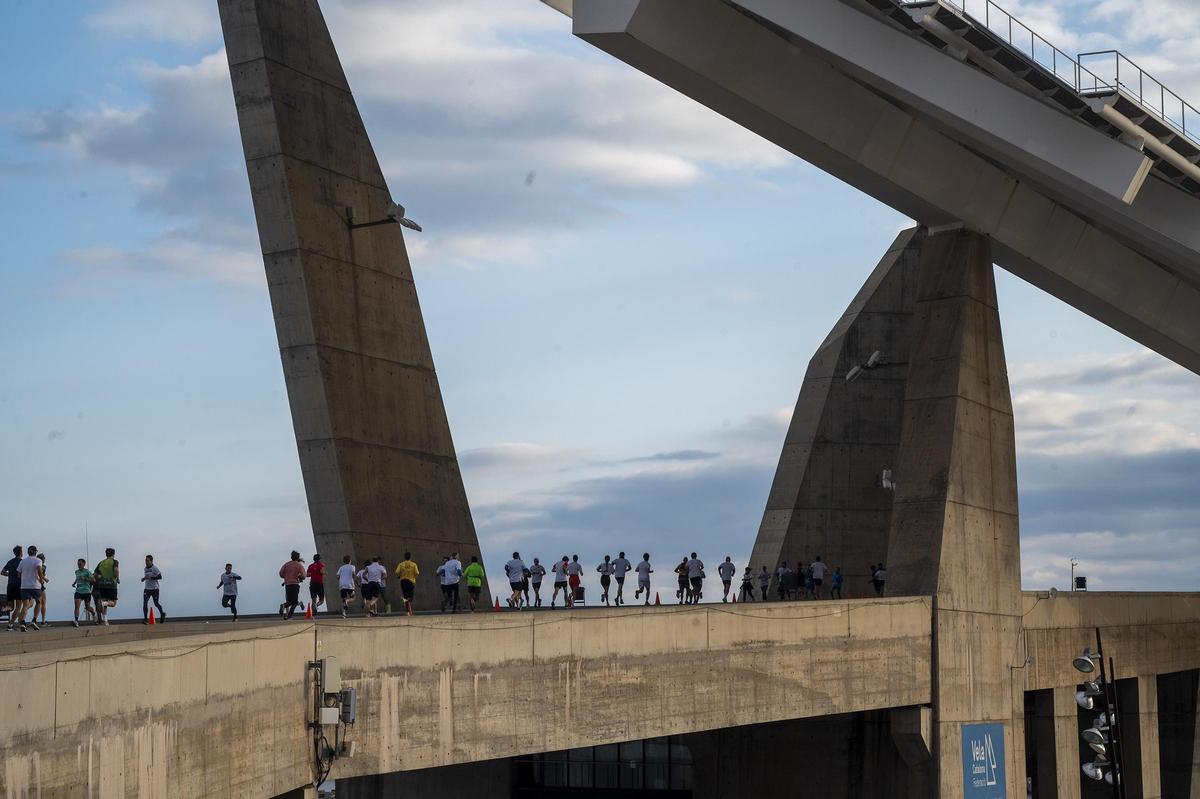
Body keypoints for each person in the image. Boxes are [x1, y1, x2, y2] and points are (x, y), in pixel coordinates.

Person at [14, 545, 43, 632]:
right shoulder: (38, 560)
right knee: (39, 602)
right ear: (35, 552)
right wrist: (41, 580)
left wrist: (25, 578)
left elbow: (18, 574)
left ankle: (22, 623)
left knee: (25, 605)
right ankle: (34, 620)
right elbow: (39, 569)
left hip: (24, 586)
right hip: (35, 586)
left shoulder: (23, 561)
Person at [93, 547, 120, 626]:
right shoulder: (114, 561)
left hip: (102, 585)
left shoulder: (101, 562)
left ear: (106, 554)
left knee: (104, 604)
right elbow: (116, 570)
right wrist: (118, 578)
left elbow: (95, 573)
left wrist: (100, 577)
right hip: (111, 584)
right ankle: (104, 603)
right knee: (113, 603)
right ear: (113, 554)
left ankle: (105, 621)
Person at [279, 551, 306, 620]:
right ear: (298, 557)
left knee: (290, 601)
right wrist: (300, 577)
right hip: (295, 584)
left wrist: (286, 576)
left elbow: (281, 573)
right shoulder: (299, 565)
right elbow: (304, 575)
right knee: (295, 602)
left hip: (288, 585)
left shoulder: (286, 564)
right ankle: (289, 615)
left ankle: (284, 606)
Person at [141, 554, 166, 624]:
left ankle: (162, 614)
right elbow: (147, 576)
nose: (146, 562)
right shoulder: (145, 568)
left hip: (155, 589)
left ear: (151, 561)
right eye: (145, 560)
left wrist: (151, 578)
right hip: (147, 589)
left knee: (156, 603)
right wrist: (144, 578)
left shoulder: (155, 568)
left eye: (147, 560)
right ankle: (145, 619)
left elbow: (160, 577)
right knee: (145, 602)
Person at [71, 558, 95, 628]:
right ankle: (76, 621)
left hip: (86, 591)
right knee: (77, 605)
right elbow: (77, 578)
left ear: (84, 564)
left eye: (80, 564)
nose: (79, 565)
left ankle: (93, 613)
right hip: (78, 591)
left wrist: (85, 579)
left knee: (87, 607)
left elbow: (93, 580)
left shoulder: (87, 571)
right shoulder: (76, 572)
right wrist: (74, 583)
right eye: (78, 564)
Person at [2, 546, 22, 624]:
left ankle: (2, 609)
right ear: (21, 552)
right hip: (19, 585)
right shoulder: (22, 562)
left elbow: (2, 572)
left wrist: (10, 575)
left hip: (10, 586)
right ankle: (10, 625)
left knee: (10, 607)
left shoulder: (10, 562)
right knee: (18, 607)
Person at [34, 552, 49, 626]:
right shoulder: (40, 566)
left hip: (38, 585)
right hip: (38, 585)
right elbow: (38, 575)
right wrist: (44, 579)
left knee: (41, 603)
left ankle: (39, 620)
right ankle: (38, 621)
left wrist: (43, 578)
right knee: (40, 603)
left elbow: (40, 575)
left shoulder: (43, 567)